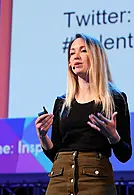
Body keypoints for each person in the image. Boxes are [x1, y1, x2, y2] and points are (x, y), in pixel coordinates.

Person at [35, 33, 132, 195]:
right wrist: (43, 136)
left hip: (96, 180)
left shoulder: (115, 99)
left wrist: (113, 136)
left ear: (96, 57)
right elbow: (55, 155)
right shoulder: (62, 102)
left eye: (83, 51)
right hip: (59, 178)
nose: (76, 57)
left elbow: (125, 155)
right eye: (72, 53)